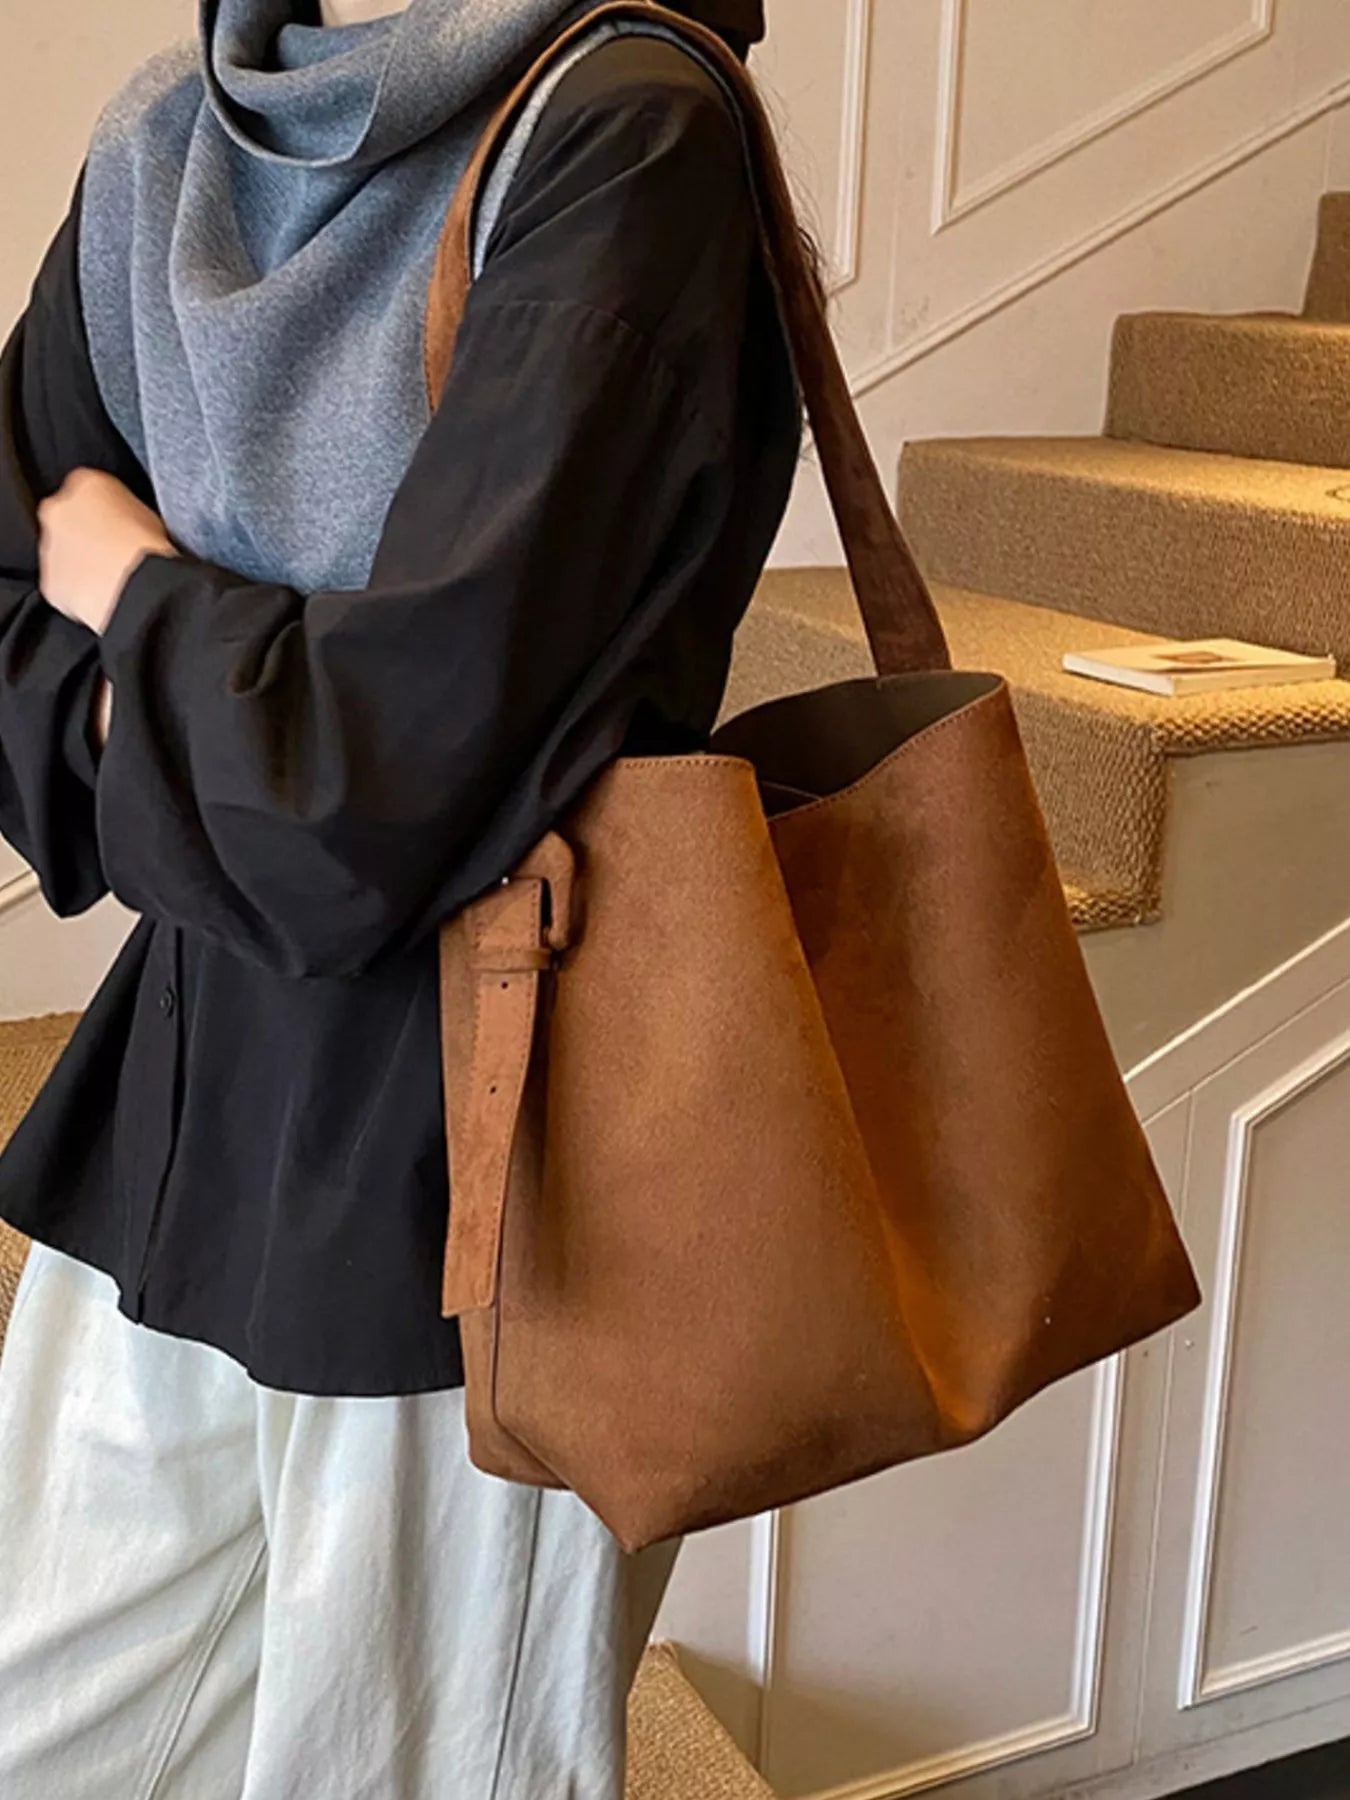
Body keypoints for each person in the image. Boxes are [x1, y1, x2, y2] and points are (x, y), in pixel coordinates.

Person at [0, 0, 801, 1792]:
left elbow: (380, 786)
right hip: (183, 1103)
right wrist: (252, 714)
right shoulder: (165, 141)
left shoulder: (628, 122)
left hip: (497, 1167)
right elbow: (9, 598)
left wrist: (141, 610)